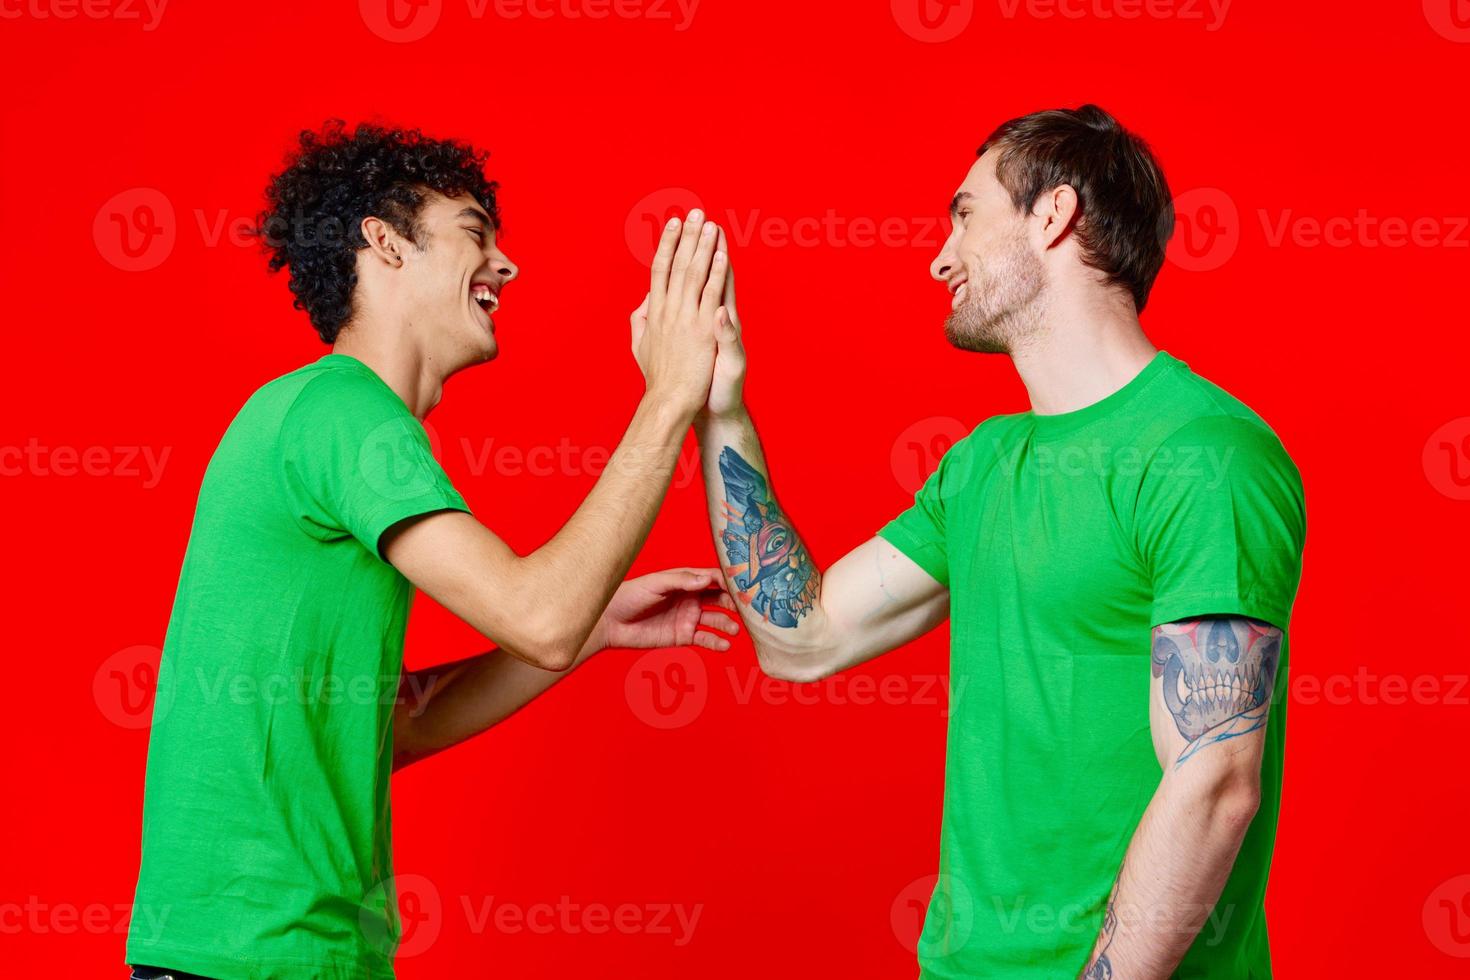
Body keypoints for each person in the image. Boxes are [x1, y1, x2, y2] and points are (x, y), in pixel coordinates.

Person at [694, 105, 1305, 978]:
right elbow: (804, 637)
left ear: (1052, 215)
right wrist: (720, 409)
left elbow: (1214, 782)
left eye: (965, 214)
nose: (941, 257)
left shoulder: (1201, 455)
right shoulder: (980, 466)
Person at [125, 121, 740, 979]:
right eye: (474, 233)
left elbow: (396, 723)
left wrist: (595, 627)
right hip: (256, 958)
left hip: (286, 953)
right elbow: (539, 616)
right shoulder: (346, 413)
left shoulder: (320, 416)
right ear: (386, 243)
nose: (506, 265)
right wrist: (672, 393)